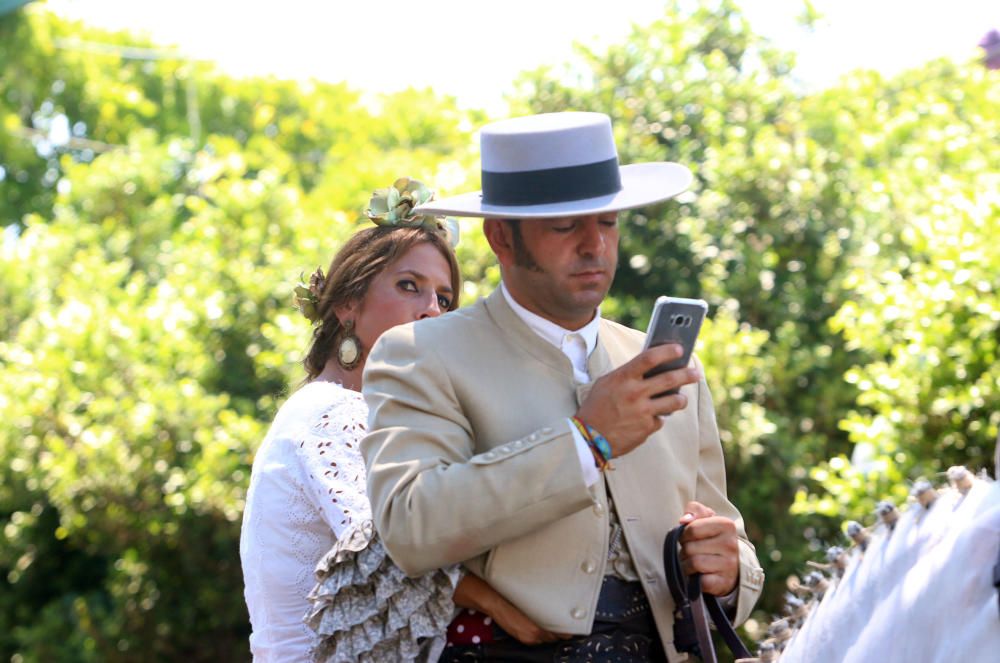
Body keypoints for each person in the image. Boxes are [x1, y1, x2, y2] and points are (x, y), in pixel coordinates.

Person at [361, 114, 766, 661]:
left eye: (607, 220)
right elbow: (411, 527)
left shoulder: (664, 364)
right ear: (501, 237)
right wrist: (586, 440)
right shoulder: (419, 354)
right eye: (564, 225)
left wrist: (730, 568)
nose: (595, 244)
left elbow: (723, 532)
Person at [239, 178, 558, 662]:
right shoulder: (331, 413)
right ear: (349, 302)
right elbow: (397, 552)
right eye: (410, 286)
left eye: (445, 299)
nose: (431, 310)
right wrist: (518, 619)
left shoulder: (373, 413)